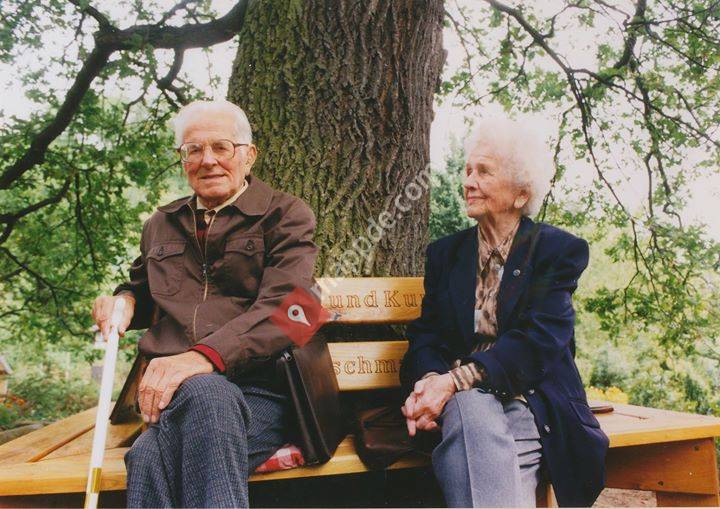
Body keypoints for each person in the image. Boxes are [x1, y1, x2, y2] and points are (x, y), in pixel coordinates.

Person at [91, 99, 317, 508]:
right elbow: (142, 287)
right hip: (173, 398)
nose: (207, 160)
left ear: (248, 155)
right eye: (193, 149)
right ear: (183, 159)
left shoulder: (284, 215)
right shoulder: (160, 224)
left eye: (221, 147)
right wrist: (123, 301)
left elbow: (292, 310)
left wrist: (203, 358)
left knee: (151, 454)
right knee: (179, 423)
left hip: (260, 393)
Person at [400, 116, 609, 507]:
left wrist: (452, 382)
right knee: (472, 409)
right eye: (467, 170)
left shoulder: (555, 252)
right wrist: (429, 384)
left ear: (520, 194)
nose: (468, 181)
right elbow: (426, 335)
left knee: (470, 416)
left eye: (483, 172)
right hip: (460, 402)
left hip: (532, 400)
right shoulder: (445, 254)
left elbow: (538, 342)